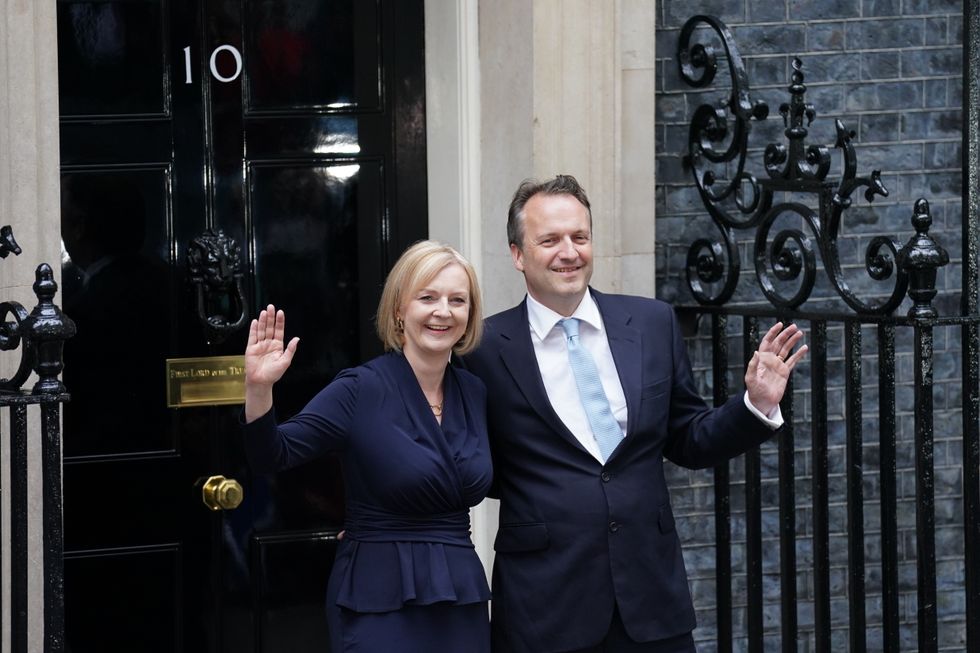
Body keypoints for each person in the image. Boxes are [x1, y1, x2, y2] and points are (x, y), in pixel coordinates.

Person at [463, 175, 807, 653]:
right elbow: (474, 464)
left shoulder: (651, 323)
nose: (569, 251)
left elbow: (688, 438)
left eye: (579, 237)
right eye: (550, 240)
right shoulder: (480, 349)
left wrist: (756, 405)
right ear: (518, 254)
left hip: (651, 600)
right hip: (544, 607)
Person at [243, 240, 492, 653]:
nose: (443, 311)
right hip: (378, 594)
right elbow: (271, 454)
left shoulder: (475, 392)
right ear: (399, 309)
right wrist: (258, 387)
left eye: (457, 300)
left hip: (459, 594)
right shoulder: (360, 389)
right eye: (427, 297)